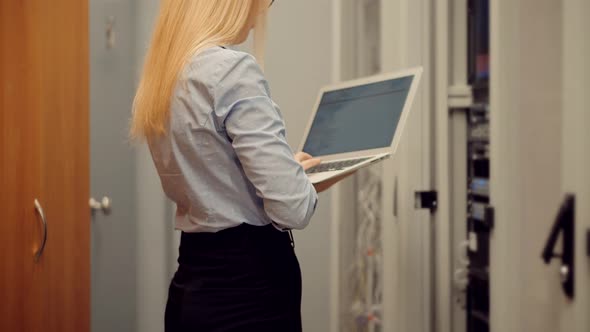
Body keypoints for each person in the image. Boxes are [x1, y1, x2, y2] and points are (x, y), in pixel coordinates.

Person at [131, 0, 349, 331]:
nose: (262, 11)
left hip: (191, 283)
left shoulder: (165, 76)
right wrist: (299, 186)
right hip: (249, 294)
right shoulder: (231, 71)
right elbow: (294, 210)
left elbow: (212, 174)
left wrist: (284, 171)